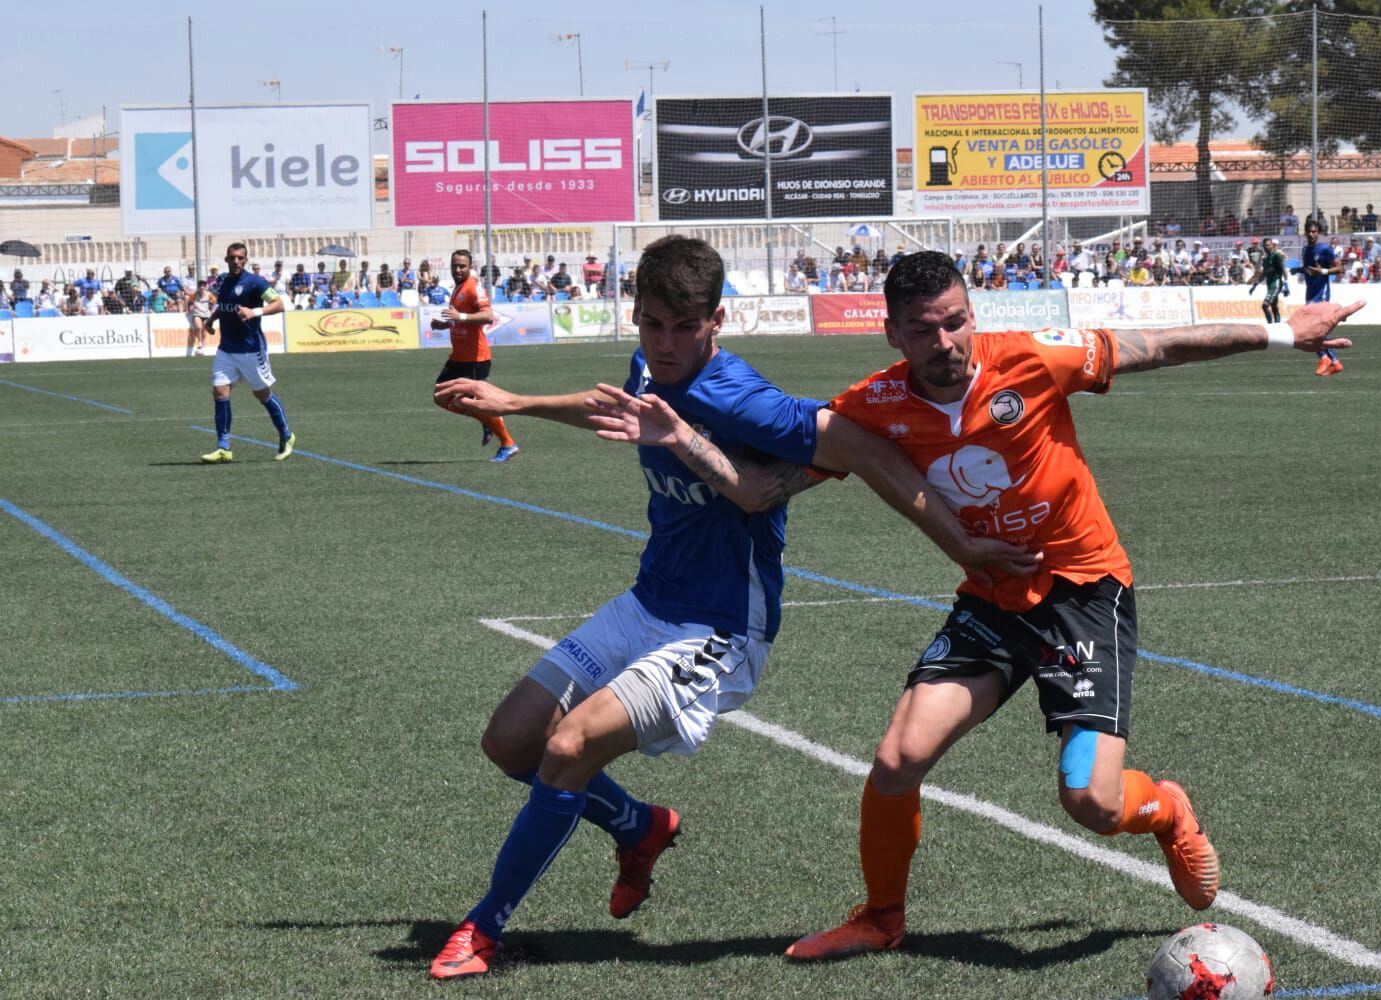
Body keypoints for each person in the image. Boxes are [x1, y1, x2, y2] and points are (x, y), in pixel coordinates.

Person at [599, 251, 1360, 962]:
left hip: (1082, 592)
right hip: (992, 603)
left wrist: (1276, 332)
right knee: (898, 758)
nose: (946, 341)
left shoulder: (1032, 359)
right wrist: (682, 443)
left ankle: (1165, 811)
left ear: (973, 315)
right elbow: (764, 487)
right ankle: (881, 917)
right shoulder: (874, 408)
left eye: (956, 320)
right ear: (893, 333)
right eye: (924, 329)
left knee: (1089, 800)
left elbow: (1154, 346)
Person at [424, 237, 1016, 981]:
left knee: (569, 746)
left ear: (717, 321)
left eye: (683, 328)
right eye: (651, 326)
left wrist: (959, 541)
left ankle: (483, 929)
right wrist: (519, 403)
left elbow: (860, 446)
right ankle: (639, 828)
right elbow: (624, 410)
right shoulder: (652, 365)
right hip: (649, 601)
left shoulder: (739, 397)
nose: (665, 345)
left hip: (720, 630)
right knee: (511, 742)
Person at [199, 242, 295, 464]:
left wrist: (255, 311)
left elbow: (279, 304)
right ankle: (223, 447)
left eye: (240, 258)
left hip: (251, 349)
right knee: (220, 392)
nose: (236, 261)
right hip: (226, 348)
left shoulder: (255, 282)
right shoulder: (223, 280)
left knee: (263, 395)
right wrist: (212, 320)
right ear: (226, 259)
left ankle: (286, 435)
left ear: (246, 260)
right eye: (232, 257)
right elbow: (223, 306)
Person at [431, 249, 519, 463]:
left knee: (469, 401)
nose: (458, 269)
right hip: (458, 357)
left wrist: (459, 315)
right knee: (440, 397)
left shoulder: (473, 287)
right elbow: (463, 320)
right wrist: (446, 324)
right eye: (455, 266)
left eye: (462, 266)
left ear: (470, 267)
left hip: (475, 359)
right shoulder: (458, 288)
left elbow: (488, 316)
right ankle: (486, 421)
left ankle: (508, 443)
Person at [1302, 221, 1344, 376]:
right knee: (1317, 331)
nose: (1311, 234)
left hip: (1321, 294)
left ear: (1318, 232)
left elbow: (1340, 269)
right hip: (1310, 293)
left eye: (1314, 231)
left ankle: (1325, 358)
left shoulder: (1325, 249)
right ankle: (1334, 362)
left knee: (1312, 330)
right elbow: (1309, 269)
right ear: (1305, 233)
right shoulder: (1305, 249)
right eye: (1309, 231)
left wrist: (1322, 271)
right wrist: (1298, 269)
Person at [1247, 236, 1290, 322]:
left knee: (1265, 305)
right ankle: (1277, 326)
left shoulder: (1276, 256)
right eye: (1265, 245)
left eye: (1268, 245)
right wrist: (1255, 285)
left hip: (1276, 284)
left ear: (1272, 246)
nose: (1266, 247)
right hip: (1270, 284)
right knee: (1274, 306)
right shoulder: (1266, 258)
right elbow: (1264, 273)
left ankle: (1270, 326)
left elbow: (1284, 269)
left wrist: (1286, 284)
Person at [188, 281, 215, 357]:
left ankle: (203, 344)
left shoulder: (209, 294)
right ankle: (199, 343)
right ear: (198, 287)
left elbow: (215, 302)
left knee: (205, 329)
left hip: (206, 314)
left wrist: (212, 310)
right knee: (199, 327)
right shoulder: (194, 295)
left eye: (203, 285)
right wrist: (189, 309)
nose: (201, 287)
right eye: (200, 285)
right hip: (197, 314)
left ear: (205, 286)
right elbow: (189, 302)